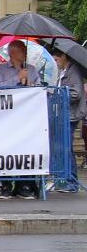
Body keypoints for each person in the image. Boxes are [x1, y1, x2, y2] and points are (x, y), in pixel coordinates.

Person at [0, 40, 41, 199]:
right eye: (22, 50)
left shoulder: (32, 70)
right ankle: (6, 185)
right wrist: (17, 78)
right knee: (6, 150)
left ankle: (24, 185)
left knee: (26, 150)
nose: (25, 53)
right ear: (13, 53)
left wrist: (30, 84)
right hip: (6, 118)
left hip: (27, 117)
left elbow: (39, 89)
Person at [54, 48, 85, 193]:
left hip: (71, 115)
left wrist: (59, 96)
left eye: (56, 59)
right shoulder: (63, 71)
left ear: (63, 56)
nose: (56, 62)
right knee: (64, 148)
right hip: (64, 115)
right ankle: (66, 180)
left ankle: (71, 182)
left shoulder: (73, 72)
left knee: (67, 148)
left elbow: (76, 93)